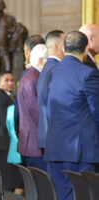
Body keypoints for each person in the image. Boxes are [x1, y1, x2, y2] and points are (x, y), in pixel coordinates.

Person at [44, 31, 99, 200]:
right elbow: (96, 111)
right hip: (79, 151)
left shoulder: (51, 72)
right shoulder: (88, 73)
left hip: (54, 147)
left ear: (64, 48)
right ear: (85, 50)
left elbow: (47, 107)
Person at [17, 44, 48, 171]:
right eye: (48, 59)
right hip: (35, 145)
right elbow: (37, 113)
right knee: (41, 188)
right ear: (41, 60)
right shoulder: (34, 78)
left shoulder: (30, 76)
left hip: (31, 143)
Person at [37, 30, 64, 149]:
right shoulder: (57, 68)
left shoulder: (48, 67)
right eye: (65, 44)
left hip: (48, 134)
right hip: (57, 137)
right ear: (57, 46)